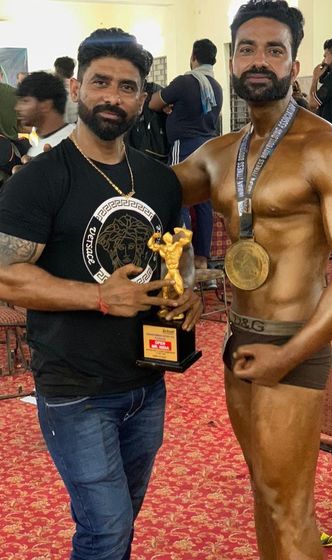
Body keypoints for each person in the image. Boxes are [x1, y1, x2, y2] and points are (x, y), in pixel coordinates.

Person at [173, 1, 332, 558]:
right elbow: (148, 199)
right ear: (231, 60)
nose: (259, 60)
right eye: (247, 48)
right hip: (239, 340)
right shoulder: (220, 154)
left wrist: (289, 355)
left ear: (295, 64)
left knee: (290, 509)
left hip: (294, 345)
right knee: (265, 495)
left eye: (274, 50)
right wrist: (184, 269)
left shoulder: (329, 150)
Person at [0, 27, 201, 560]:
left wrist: (188, 291)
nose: (113, 96)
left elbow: (178, 255)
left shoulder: (158, 179)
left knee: (120, 519)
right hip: (76, 388)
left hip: (148, 381)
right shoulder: (40, 178)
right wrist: (99, 297)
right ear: (77, 87)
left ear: (142, 96)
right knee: (106, 530)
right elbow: (4, 275)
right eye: (101, 82)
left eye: (127, 87)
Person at [149, 38, 223, 269]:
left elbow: (153, 103)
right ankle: (202, 258)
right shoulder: (217, 88)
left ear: (193, 57)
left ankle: (185, 256)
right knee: (203, 202)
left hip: (185, 147)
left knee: (179, 197)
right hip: (209, 148)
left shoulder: (185, 82)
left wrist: (169, 107)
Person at [16, 71, 75, 156]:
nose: (17, 108)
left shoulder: (70, 146)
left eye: (25, 101)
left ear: (46, 105)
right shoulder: (75, 135)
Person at [54, 55, 79, 124]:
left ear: (59, 71)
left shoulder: (54, 91)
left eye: (55, 70)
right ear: (72, 72)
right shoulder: (79, 89)